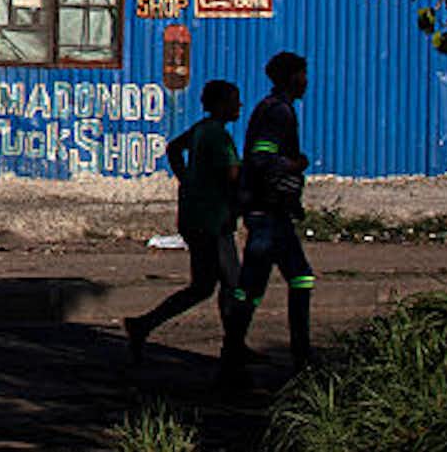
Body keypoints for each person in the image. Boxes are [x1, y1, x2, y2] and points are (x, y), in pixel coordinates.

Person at [124, 79, 243, 363]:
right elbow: (233, 177)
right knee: (232, 282)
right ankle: (234, 346)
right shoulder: (219, 137)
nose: (238, 106)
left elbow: (174, 148)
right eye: (233, 100)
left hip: (194, 217)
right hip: (214, 221)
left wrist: (186, 181)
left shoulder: (201, 130)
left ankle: (143, 324)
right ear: (220, 104)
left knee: (204, 286)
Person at [219, 52, 315, 386]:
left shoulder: (272, 107)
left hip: (269, 211)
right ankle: (301, 356)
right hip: (268, 214)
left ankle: (232, 354)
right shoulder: (278, 112)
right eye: (302, 74)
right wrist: (295, 165)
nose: (306, 81)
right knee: (299, 278)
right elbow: (263, 157)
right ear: (291, 77)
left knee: (253, 286)